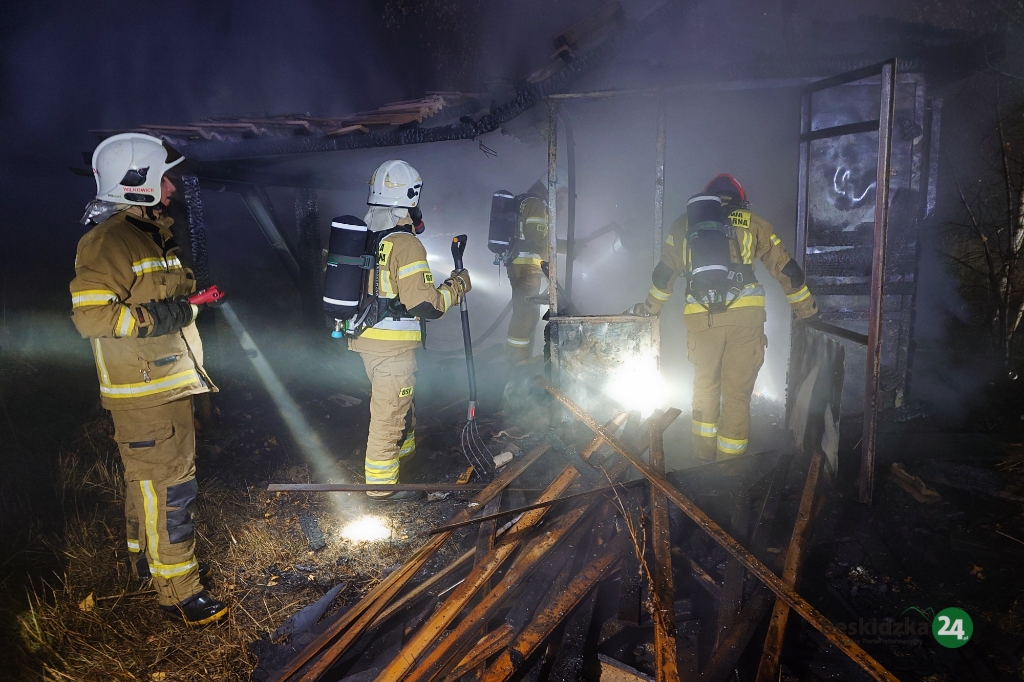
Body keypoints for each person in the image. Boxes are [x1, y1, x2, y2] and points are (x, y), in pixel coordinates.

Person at [70, 133, 227, 625]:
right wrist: (172, 313)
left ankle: (147, 563)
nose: (172, 187)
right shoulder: (108, 241)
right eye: (164, 177)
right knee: (171, 487)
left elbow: (156, 301)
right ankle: (179, 593)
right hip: (144, 393)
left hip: (163, 384)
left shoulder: (149, 234)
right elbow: (93, 318)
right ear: (136, 182)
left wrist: (187, 304)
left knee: (148, 483)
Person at [629, 174, 818, 462]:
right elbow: (788, 271)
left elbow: (663, 275)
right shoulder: (753, 223)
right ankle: (729, 469)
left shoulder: (684, 224)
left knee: (705, 389)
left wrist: (649, 309)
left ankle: (702, 461)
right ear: (740, 199)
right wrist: (808, 312)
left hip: (701, 321)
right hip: (745, 321)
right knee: (736, 395)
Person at [350, 160, 471, 501]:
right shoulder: (405, 244)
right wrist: (457, 287)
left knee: (400, 406)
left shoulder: (366, 236)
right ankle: (382, 491)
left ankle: (405, 459)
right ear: (411, 198)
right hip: (392, 348)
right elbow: (426, 305)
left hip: (368, 339)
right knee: (389, 416)